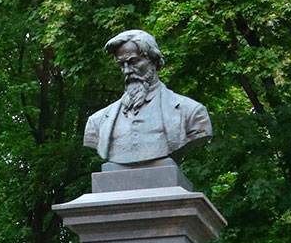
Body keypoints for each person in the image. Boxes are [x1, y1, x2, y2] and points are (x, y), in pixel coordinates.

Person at [82, 29, 212, 166]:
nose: (127, 71)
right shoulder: (97, 122)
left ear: (154, 61)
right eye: (122, 65)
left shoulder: (191, 112)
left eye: (134, 62)